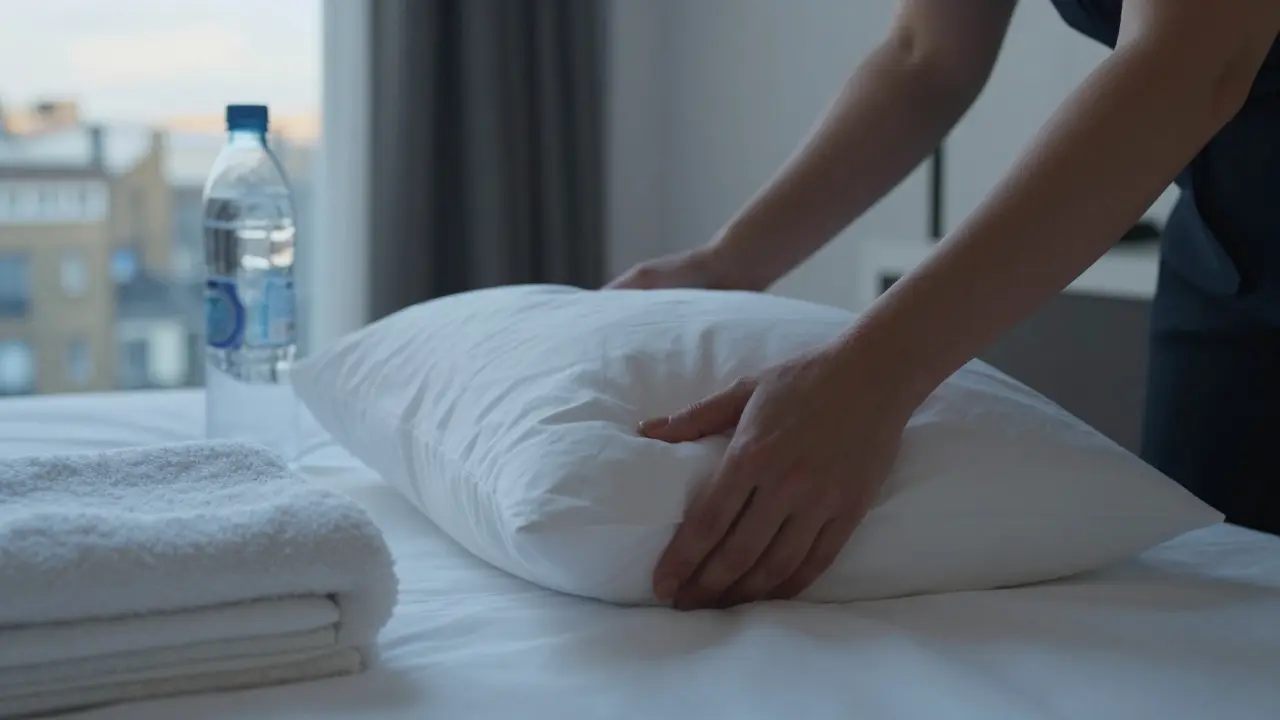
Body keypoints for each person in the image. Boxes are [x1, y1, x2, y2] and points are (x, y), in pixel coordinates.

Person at [607, 0, 1280, 611]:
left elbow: (1193, 59)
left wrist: (871, 375)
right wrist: (727, 263)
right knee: (1222, 610)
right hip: (1231, 258)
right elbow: (924, 58)